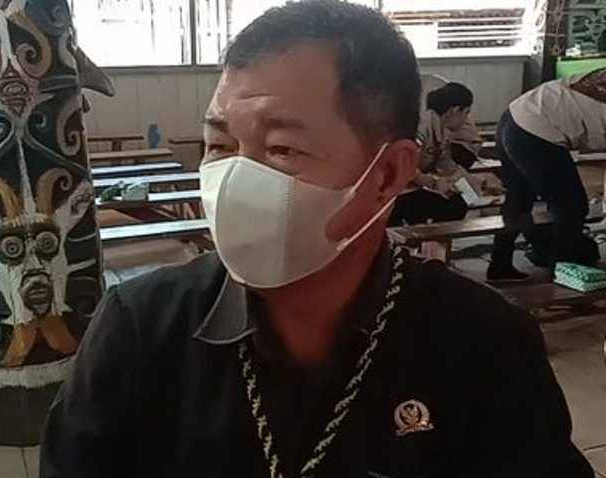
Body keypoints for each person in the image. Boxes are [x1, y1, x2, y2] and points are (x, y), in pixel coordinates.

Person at [40, 2, 593, 477]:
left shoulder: (482, 344)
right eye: (219, 146)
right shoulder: (140, 331)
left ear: (387, 175)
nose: (235, 181)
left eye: (282, 149)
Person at [487, 68, 605, 283]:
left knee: (518, 199)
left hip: (514, 117)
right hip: (537, 130)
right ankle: (565, 271)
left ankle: (500, 265)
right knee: (571, 205)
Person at [389, 82, 494, 226]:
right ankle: (424, 237)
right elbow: (404, 166)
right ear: (455, 110)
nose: (466, 119)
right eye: (466, 113)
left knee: (460, 199)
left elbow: (449, 168)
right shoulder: (422, 126)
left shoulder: (440, 132)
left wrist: (477, 190)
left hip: (410, 188)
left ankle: (428, 237)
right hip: (395, 192)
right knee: (452, 204)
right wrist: (434, 183)